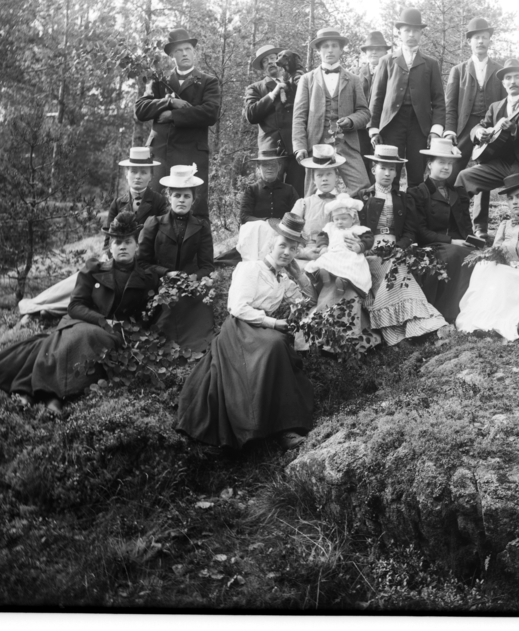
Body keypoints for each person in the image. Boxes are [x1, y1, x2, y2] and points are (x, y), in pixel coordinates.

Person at [0, 212, 159, 417]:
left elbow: (146, 317)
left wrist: (131, 332)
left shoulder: (147, 279)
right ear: (110, 246)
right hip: (82, 320)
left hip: (114, 335)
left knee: (81, 340)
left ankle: (40, 393)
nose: (122, 247)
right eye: (117, 242)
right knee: (77, 337)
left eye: (128, 242)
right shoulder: (94, 269)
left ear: (136, 245)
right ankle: (50, 397)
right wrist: (103, 320)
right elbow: (75, 306)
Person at [175, 213, 316, 451]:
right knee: (274, 345)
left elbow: (309, 301)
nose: (287, 252)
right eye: (283, 245)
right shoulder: (250, 268)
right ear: (271, 244)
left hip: (261, 328)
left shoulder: (282, 279)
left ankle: (286, 426)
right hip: (240, 329)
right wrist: (273, 323)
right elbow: (237, 307)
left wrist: (300, 276)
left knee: (277, 345)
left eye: (293, 249)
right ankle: (262, 427)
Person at [17, 146, 166, 320]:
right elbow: (108, 239)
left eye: (143, 172)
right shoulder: (118, 202)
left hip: (140, 264)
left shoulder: (159, 203)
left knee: (105, 290)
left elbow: (161, 239)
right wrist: (106, 255)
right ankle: (37, 306)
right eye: (133, 172)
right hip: (115, 258)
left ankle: (46, 311)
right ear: (127, 174)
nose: (138, 177)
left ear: (151, 176)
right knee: (80, 280)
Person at [354, 144, 447, 345]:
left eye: (392, 169)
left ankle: (414, 329)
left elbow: (410, 231)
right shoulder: (362, 197)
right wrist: (365, 247)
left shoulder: (403, 199)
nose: (387, 174)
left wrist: (399, 248)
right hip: (370, 252)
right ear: (373, 169)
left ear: (397, 173)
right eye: (383, 168)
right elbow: (355, 229)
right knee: (391, 270)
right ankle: (410, 330)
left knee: (398, 267)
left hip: (396, 250)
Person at [455, 58, 519, 233]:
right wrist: (479, 132)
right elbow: (479, 126)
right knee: (463, 178)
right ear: (503, 82)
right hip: (498, 165)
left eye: (517, 77)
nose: (512, 81)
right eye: (508, 78)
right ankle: (463, 231)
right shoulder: (495, 107)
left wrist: (515, 130)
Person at [456, 173, 519, 340]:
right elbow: (496, 254)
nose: (514, 202)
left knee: (501, 274)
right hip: (505, 279)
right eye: (510, 198)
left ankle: (491, 323)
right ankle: (480, 321)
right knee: (483, 267)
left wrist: (515, 267)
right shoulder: (504, 225)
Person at [134, 28, 222, 217]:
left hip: (191, 155)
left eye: (188, 49)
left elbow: (210, 113)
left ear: (194, 52)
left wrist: (172, 115)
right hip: (160, 154)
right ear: (172, 55)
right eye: (179, 50)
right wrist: (169, 102)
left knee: (194, 210)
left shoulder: (208, 82)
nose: (184, 53)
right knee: (151, 208)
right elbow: (140, 109)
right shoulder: (159, 81)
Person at [137, 164, 216, 351]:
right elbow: (141, 263)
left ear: (193, 200)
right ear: (169, 196)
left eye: (186, 196)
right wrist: (166, 273)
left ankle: (193, 348)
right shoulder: (154, 224)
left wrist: (193, 278)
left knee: (196, 320)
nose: (181, 200)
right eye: (177, 195)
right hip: (157, 284)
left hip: (189, 288)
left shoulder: (201, 227)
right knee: (160, 315)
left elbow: (207, 266)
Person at [368, 8, 447, 188]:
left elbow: (439, 101)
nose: (411, 34)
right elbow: (377, 98)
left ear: (421, 34)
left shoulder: (431, 64)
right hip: (392, 124)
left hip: (419, 126)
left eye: (416, 31)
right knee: (390, 170)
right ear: (399, 33)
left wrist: (435, 131)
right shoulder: (387, 61)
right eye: (407, 30)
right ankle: (390, 205)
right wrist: (373, 129)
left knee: (417, 172)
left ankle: (415, 205)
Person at [293, 27, 372, 196]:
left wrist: (351, 120)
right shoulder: (307, 80)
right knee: (313, 194)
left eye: (334, 46)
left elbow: (365, 113)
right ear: (319, 50)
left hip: (347, 144)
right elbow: (299, 117)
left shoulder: (353, 79)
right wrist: (299, 147)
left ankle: (354, 213)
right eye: (325, 46)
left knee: (362, 188)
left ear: (341, 50)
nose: (330, 50)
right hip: (316, 145)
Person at [405, 137, 476, 323]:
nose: (446, 167)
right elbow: (421, 232)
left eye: (450, 164)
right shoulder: (418, 193)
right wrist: (451, 241)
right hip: (432, 245)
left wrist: (474, 242)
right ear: (430, 164)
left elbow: (466, 226)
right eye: (441, 163)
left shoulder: (457, 192)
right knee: (455, 254)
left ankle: (473, 310)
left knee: (479, 256)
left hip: (458, 244)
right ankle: (448, 313)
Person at [444, 17, 505, 229]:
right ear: (469, 41)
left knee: (484, 174)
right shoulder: (458, 70)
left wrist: (498, 129)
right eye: (476, 37)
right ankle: (451, 222)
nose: (480, 41)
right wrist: (450, 131)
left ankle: (480, 227)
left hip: (490, 129)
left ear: (489, 41)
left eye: (484, 37)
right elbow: (450, 105)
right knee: (453, 173)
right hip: (463, 128)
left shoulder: (499, 70)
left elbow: (504, 105)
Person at [244, 43, 306, 190]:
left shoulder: (296, 82)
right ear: (263, 68)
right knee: (269, 194)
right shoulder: (255, 88)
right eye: (265, 61)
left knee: (298, 193)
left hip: (296, 148)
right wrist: (273, 94)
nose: (270, 62)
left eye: (273, 58)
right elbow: (251, 115)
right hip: (270, 150)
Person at [235, 144, 301, 262]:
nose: (270, 168)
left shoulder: (289, 190)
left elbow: (297, 215)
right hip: (258, 237)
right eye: (265, 165)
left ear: (279, 167)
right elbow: (244, 217)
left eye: (273, 164)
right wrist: (266, 222)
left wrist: (281, 226)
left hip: (283, 235)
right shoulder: (252, 190)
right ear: (258, 167)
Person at [304, 193, 373, 296]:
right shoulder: (330, 228)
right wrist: (323, 246)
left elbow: (369, 239)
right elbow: (322, 236)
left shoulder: (358, 229)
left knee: (353, 266)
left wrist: (360, 246)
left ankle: (343, 282)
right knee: (322, 260)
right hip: (333, 253)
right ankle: (321, 275)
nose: (339, 222)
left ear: (353, 219)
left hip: (350, 255)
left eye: (344, 219)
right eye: (336, 219)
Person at [290, 144, 350, 261]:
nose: (324, 179)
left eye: (329, 174)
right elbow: (288, 235)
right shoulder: (303, 204)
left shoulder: (346, 203)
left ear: (336, 176)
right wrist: (303, 253)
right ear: (313, 179)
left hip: (338, 256)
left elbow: (354, 234)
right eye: (319, 175)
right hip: (307, 256)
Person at [354, 31, 391, 185]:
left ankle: (381, 193)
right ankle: (364, 194)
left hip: (384, 126)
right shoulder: (358, 74)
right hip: (362, 128)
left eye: (378, 49)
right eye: (370, 49)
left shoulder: (392, 72)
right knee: (362, 162)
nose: (374, 52)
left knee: (382, 162)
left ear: (385, 52)